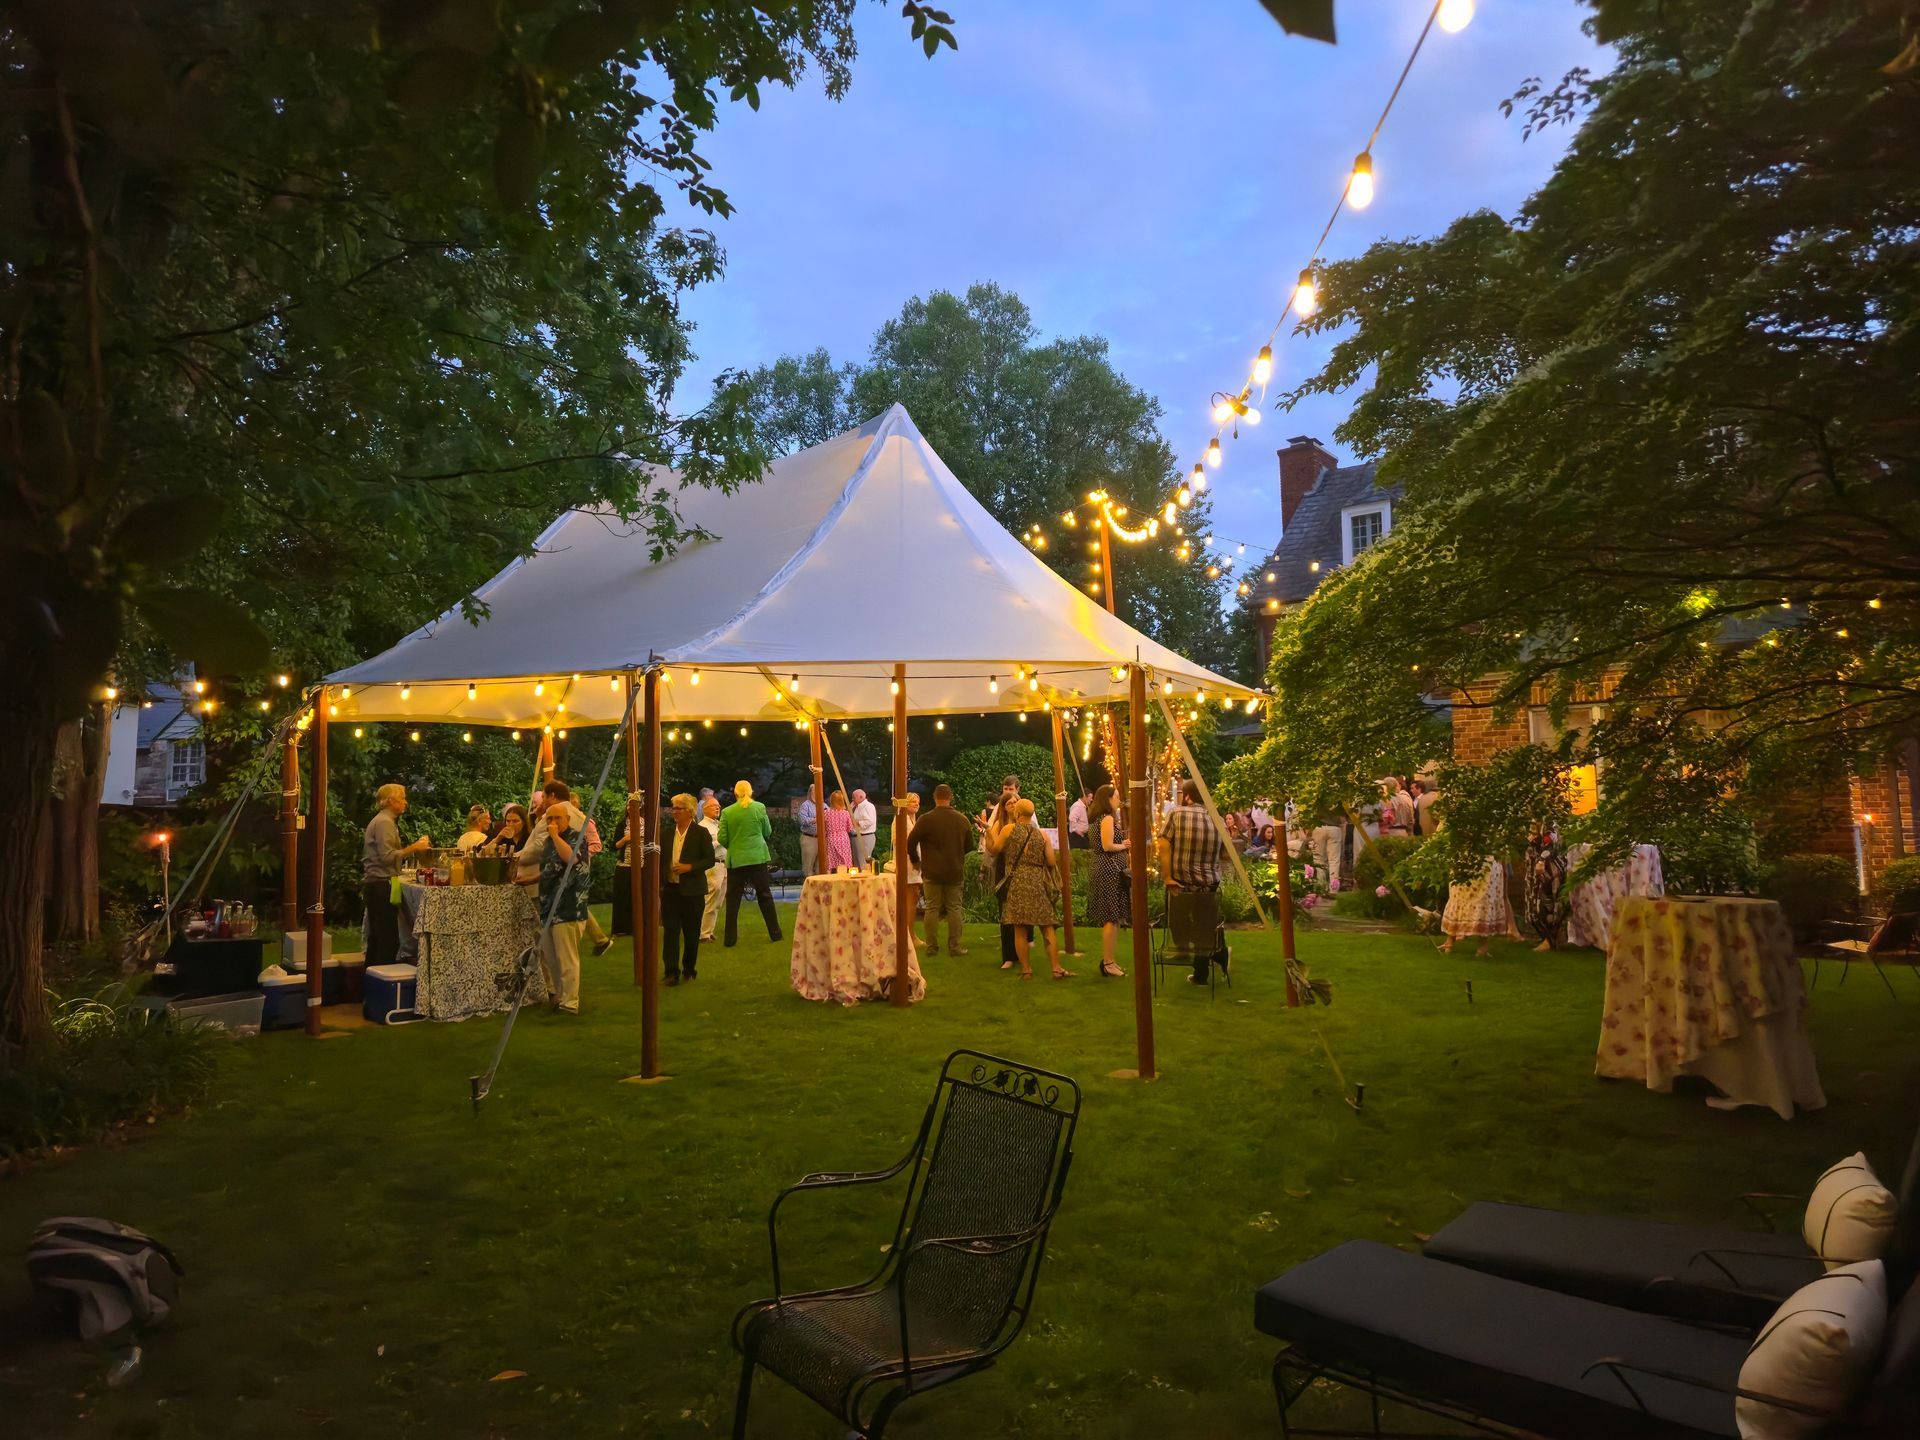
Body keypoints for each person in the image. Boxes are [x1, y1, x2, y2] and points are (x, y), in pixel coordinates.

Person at [1156, 779, 1228, 987]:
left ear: (1187, 796)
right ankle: (1207, 966)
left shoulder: (1176, 814)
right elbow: (1224, 852)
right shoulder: (1218, 820)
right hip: (1209, 886)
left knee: (1178, 921)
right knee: (1205, 928)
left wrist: (1168, 877)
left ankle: (1188, 952)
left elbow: (1163, 845)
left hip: (1181, 885)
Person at [362, 784, 433, 969]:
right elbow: (386, 857)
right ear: (391, 801)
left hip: (378, 883)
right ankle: (383, 982)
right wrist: (414, 848)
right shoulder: (384, 822)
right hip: (380, 884)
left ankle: (370, 985)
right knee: (386, 940)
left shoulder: (385, 821)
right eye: (402, 798)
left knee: (377, 939)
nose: (405, 802)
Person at [997, 798, 1068, 979]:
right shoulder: (1042, 835)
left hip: (1018, 881)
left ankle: (1026, 970)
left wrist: (989, 833)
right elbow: (1051, 861)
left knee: (1020, 928)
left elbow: (993, 849)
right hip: (1037, 883)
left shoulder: (1008, 830)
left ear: (1018, 813)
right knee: (1047, 927)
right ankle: (1055, 968)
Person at [533, 791, 590, 1013]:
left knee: (567, 958)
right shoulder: (547, 842)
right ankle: (559, 995)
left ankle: (571, 1002)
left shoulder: (577, 836)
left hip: (569, 906)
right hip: (548, 906)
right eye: (550, 819)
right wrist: (530, 879)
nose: (553, 823)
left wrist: (556, 836)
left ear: (566, 819)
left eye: (558, 818)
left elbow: (571, 858)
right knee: (551, 956)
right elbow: (550, 870)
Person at [907, 783, 971, 956]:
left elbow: (910, 843)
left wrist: (915, 860)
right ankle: (955, 947)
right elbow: (969, 845)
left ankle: (932, 946)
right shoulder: (961, 819)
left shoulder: (925, 819)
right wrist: (958, 855)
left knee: (932, 907)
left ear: (935, 798)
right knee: (954, 908)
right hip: (954, 870)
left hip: (931, 870)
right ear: (950, 797)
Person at [659, 794, 715, 986]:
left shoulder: (700, 833)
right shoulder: (666, 834)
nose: (673, 811)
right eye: (673, 807)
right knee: (671, 932)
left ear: (689, 811)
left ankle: (689, 969)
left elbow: (709, 859)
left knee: (691, 933)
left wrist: (689, 867)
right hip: (671, 890)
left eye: (677, 808)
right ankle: (671, 972)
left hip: (693, 891)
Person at [718, 780, 782, 945]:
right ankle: (775, 934)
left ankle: (730, 940)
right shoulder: (759, 808)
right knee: (765, 896)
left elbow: (722, 838)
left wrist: (734, 846)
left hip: (737, 859)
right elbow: (767, 831)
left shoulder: (727, 812)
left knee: (733, 899)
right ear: (751, 791)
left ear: (736, 793)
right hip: (757, 857)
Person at [1084, 783, 1130, 979]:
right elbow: (1107, 845)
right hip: (1109, 869)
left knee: (1114, 916)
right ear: (1108, 799)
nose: (1119, 800)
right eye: (1116, 796)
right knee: (1111, 917)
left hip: (1106, 868)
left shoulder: (1098, 819)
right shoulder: (1107, 819)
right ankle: (1108, 962)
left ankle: (1110, 960)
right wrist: (1125, 844)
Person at [977, 775, 1022, 971]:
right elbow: (992, 849)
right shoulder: (999, 824)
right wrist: (988, 830)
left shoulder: (1026, 823)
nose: (1012, 804)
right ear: (1003, 806)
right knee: (1005, 912)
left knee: (1022, 912)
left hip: (1023, 869)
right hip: (1004, 869)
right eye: (1008, 802)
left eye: (1015, 801)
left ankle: (1022, 951)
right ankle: (1008, 956)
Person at [1440, 856, 1523, 956]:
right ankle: (1475, 946)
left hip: (1481, 863)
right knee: (1461, 897)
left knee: (1481, 900)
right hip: (1468, 861)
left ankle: (1474, 946)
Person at [1524, 825, 1571, 952]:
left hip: (1548, 870)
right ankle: (1548, 939)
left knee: (1546, 905)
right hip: (1538, 869)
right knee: (1537, 905)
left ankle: (1550, 941)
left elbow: (1551, 842)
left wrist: (1541, 860)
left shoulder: (1549, 819)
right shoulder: (1535, 819)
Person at [698, 795, 728, 943]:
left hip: (724, 865)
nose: (718, 808)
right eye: (714, 806)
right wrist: (719, 841)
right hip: (713, 865)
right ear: (705, 809)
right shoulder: (703, 826)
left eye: (718, 806)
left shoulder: (718, 824)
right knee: (710, 898)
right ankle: (703, 933)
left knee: (718, 901)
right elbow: (705, 848)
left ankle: (709, 930)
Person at [1309, 806, 1345, 892]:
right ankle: (1333, 889)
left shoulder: (1317, 795)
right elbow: (1343, 819)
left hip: (1319, 827)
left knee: (1319, 859)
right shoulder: (1339, 797)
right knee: (1334, 861)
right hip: (1334, 828)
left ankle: (1320, 887)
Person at [822, 789, 854, 870]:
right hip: (843, 839)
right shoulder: (845, 813)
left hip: (831, 839)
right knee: (845, 862)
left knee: (830, 862)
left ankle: (829, 881)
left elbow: (823, 828)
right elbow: (850, 828)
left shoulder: (826, 813)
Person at [850, 788, 878, 867]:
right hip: (857, 837)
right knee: (856, 863)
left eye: (854, 797)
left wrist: (857, 823)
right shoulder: (858, 807)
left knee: (863, 863)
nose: (852, 799)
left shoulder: (868, 806)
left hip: (865, 837)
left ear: (861, 797)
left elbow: (869, 821)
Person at [796, 791, 819, 876]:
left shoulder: (824, 805)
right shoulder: (805, 806)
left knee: (821, 866)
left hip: (822, 839)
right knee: (808, 866)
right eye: (814, 791)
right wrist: (815, 819)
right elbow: (802, 820)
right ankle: (809, 887)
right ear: (810, 793)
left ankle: (820, 887)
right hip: (810, 838)